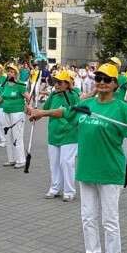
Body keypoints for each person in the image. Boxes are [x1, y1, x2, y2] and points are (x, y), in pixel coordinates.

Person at [28, 62, 127, 253]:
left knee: (109, 220)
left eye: (106, 80)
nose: (101, 83)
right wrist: (41, 112)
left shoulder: (122, 109)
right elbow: (64, 112)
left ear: (115, 84)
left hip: (110, 171)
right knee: (88, 217)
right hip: (86, 169)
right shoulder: (86, 104)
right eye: (98, 78)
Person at [33, 69, 80, 200]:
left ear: (67, 83)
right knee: (54, 163)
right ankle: (55, 188)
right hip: (54, 134)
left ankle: (69, 191)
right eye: (55, 82)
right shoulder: (53, 95)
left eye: (60, 82)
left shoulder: (74, 96)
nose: (57, 85)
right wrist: (34, 113)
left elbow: (72, 113)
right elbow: (44, 110)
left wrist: (41, 113)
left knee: (66, 162)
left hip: (70, 134)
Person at [0, 64, 27, 169]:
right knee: (8, 135)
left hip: (17, 113)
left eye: (12, 72)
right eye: (8, 72)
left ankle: (21, 160)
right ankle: (11, 159)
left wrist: (29, 107)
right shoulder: (6, 84)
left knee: (17, 136)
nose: (9, 73)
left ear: (16, 74)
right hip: (6, 111)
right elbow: (1, 98)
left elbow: (28, 96)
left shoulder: (20, 85)